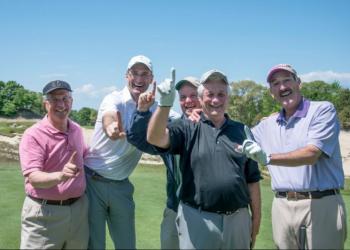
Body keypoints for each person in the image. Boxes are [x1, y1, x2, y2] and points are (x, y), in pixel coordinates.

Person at [147, 69, 262, 249]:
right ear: (201, 99)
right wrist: (164, 105)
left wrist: (255, 222)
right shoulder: (186, 127)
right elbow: (155, 138)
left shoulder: (242, 131)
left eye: (221, 94)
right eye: (210, 94)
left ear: (228, 98)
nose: (215, 100)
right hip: (196, 219)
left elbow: (253, 181)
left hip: (238, 221)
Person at [242, 64, 347, 249]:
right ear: (271, 92)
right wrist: (200, 117)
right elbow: (236, 138)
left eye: (287, 80)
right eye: (276, 83)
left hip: (320, 204)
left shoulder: (322, 110)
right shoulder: (268, 124)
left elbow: (312, 154)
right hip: (281, 206)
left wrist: (267, 157)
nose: (282, 87)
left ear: (298, 83)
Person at [84, 55, 174, 249]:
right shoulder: (113, 99)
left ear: (151, 79)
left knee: (127, 245)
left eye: (145, 74)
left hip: (122, 185)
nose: (139, 79)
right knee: (94, 245)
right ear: (127, 76)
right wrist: (112, 129)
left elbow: (178, 120)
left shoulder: (156, 108)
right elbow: (109, 116)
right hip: (92, 181)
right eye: (135, 73)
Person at [127, 76, 201, 249]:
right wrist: (142, 111)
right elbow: (139, 138)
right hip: (174, 209)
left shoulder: (215, 128)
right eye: (183, 97)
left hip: (207, 213)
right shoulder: (171, 129)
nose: (188, 101)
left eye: (193, 95)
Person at [19, 80, 88, 249]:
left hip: (78, 211)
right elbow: (33, 177)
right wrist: (61, 176)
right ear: (46, 104)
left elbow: (86, 157)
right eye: (55, 99)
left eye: (65, 98)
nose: (61, 104)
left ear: (71, 101)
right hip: (45, 215)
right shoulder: (33, 135)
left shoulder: (77, 130)